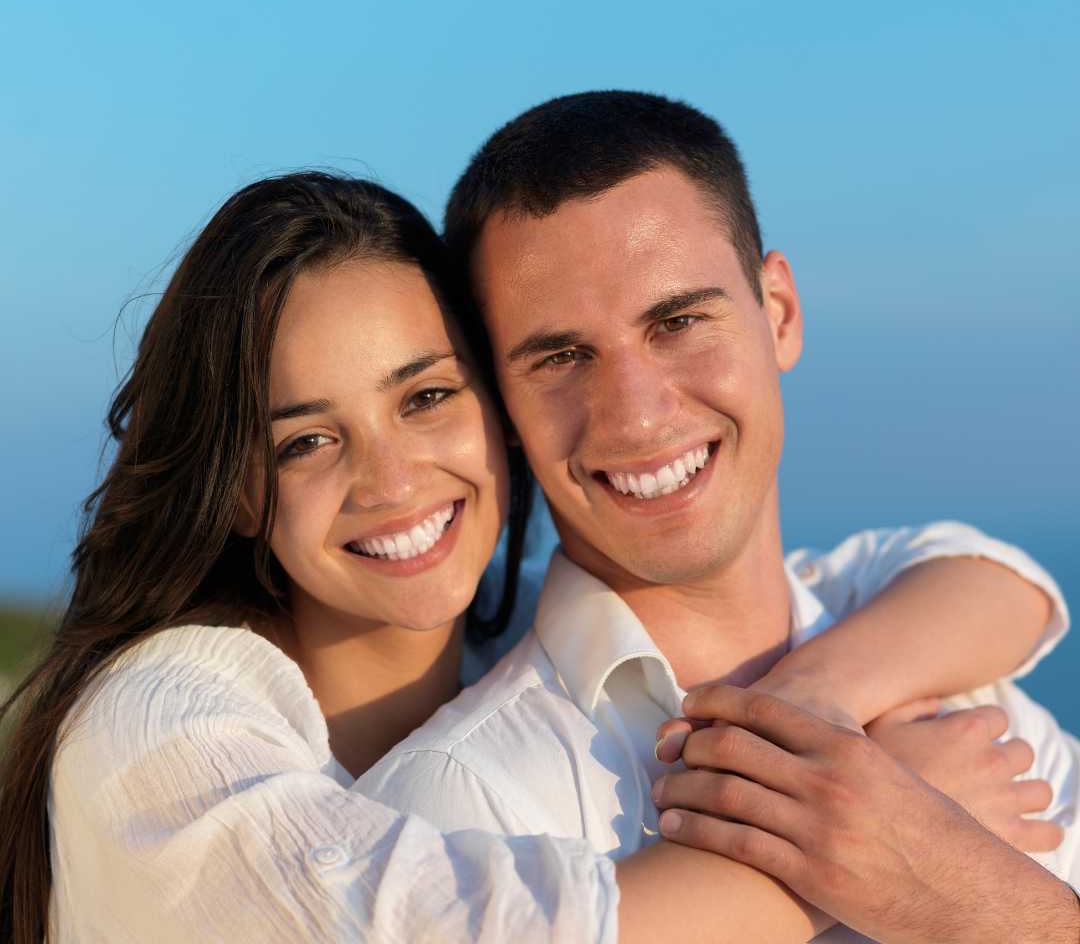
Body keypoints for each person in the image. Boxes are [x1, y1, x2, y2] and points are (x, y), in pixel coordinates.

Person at [0, 171, 1067, 943]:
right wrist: (882, 837)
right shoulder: (165, 721)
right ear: (237, 487)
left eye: (425, 398)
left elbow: (966, 569)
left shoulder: (515, 653)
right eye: (308, 440)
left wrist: (818, 705)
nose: (391, 482)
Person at [354, 91, 1080, 941]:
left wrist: (956, 881)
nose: (636, 416)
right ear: (502, 408)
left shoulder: (969, 700)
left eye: (679, 321)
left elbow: (985, 573)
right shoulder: (453, 804)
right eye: (561, 357)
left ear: (779, 313)